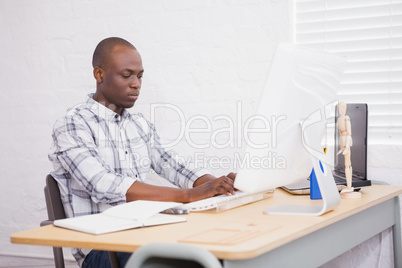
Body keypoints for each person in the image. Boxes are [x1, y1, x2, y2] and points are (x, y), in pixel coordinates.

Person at [48, 37, 236, 267]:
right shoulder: (73, 124)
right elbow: (102, 184)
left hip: (145, 232)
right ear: (99, 74)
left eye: (139, 76)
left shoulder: (140, 124)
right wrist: (188, 195)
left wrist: (218, 183)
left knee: (220, 249)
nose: (136, 83)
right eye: (126, 75)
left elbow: (173, 164)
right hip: (103, 248)